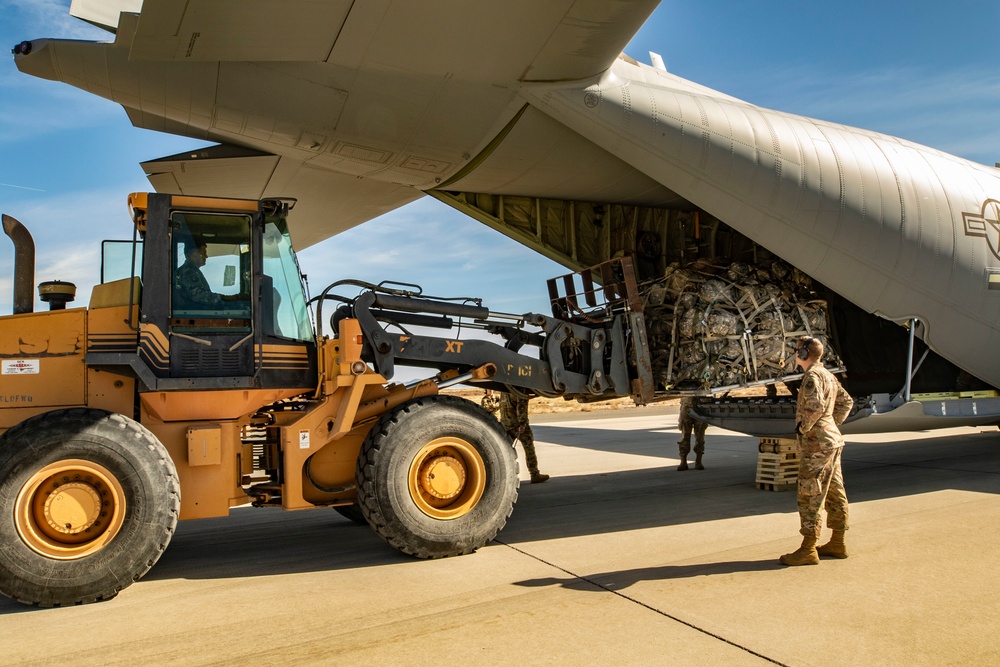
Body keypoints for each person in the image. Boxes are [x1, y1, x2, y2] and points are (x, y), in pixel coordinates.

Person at [780, 336, 854, 566]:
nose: (795, 354)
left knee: (809, 493)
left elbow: (815, 406)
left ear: (803, 354)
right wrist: (831, 425)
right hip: (831, 442)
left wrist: (805, 428)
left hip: (817, 445)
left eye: (796, 350)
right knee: (834, 491)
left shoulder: (813, 376)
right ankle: (838, 542)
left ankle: (808, 548)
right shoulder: (828, 375)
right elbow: (847, 402)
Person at [483, 390, 549, 483]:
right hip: (518, 425)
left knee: (505, 450)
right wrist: (522, 423)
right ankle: (534, 474)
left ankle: (501, 475)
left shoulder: (504, 391)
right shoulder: (520, 390)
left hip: (506, 424)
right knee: (529, 448)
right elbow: (521, 407)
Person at [174, 241, 223, 309]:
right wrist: (223, 298)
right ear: (194, 254)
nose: (206, 256)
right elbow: (198, 296)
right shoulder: (188, 272)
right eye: (204, 253)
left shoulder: (188, 270)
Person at [677, 395, 708, 470]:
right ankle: (683, 462)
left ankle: (698, 461)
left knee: (700, 436)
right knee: (685, 435)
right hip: (686, 405)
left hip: (700, 405)